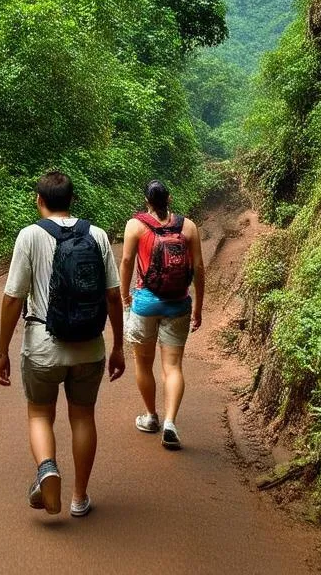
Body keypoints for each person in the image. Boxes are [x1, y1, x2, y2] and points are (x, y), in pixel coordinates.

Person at [0, 171, 125, 518]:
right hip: (89, 346)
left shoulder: (29, 236)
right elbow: (113, 295)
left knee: (40, 413)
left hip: (42, 345)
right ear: (72, 199)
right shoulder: (96, 235)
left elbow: (12, 298)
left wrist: (2, 350)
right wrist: (118, 347)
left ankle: (47, 468)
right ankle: (79, 497)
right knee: (82, 416)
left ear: (39, 200)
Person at [119, 180, 204, 450]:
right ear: (169, 197)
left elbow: (126, 261)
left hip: (144, 304)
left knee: (143, 365)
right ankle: (170, 422)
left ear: (146, 200)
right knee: (173, 367)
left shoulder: (135, 225)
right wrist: (198, 307)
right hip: (178, 304)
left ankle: (151, 417)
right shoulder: (188, 226)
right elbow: (199, 268)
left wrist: (125, 297)